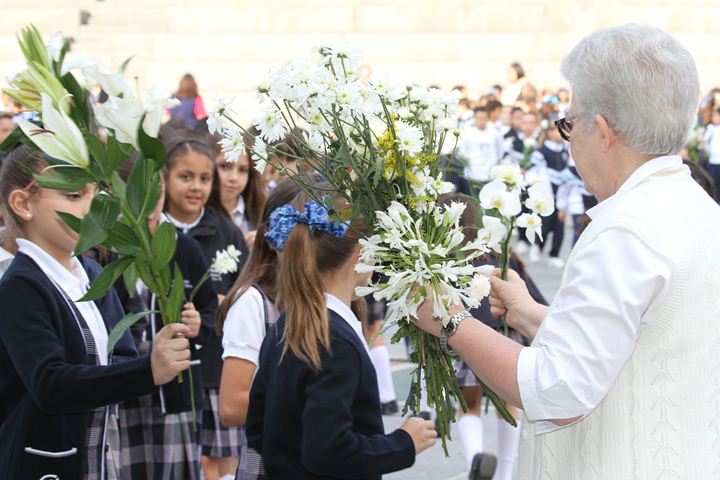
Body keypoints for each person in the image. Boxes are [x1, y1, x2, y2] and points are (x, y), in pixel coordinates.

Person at [413, 24, 720, 479]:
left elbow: (558, 392)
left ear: (603, 131)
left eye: (569, 124)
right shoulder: (699, 206)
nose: (568, 139)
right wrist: (529, 313)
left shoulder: (625, 232)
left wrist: (450, 320)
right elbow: (622, 340)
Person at [0, 146, 190, 479]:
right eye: (73, 195)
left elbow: (120, 353)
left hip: (98, 455)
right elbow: (50, 384)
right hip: (41, 463)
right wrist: (148, 371)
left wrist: (158, 356)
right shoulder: (20, 286)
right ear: (23, 204)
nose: (91, 208)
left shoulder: (91, 271)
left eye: (95, 193)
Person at [246, 189, 437, 479]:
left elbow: (258, 429)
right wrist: (402, 444)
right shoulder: (334, 341)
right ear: (361, 254)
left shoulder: (285, 327)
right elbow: (327, 449)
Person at [113, 163, 219, 480]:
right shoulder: (108, 247)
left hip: (174, 386)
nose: (148, 205)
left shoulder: (183, 246)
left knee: (173, 469)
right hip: (123, 383)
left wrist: (199, 324)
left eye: (154, 193)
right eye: (135, 196)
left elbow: (210, 309)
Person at [162, 136, 249, 480]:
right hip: (170, 369)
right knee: (185, 462)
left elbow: (247, 288)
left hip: (216, 365)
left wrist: (227, 304)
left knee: (222, 459)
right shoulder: (152, 231)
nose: (196, 186)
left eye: (204, 178)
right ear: (165, 178)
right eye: (185, 177)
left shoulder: (225, 231)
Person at [217, 179, 300, 479]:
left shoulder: (329, 301)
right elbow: (232, 405)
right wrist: (312, 406)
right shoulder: (254, 303)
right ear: (272, 235)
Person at [207, 131, 266, 245]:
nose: (234, 178)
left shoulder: (260, 215)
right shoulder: (196, 213)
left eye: (242, 170)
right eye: (224, 166)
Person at [457, 106, 505, 184]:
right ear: (474, 118)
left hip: (490, 174)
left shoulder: (494, 132)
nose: (481, 121)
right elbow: (461, 151)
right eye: (479, 118)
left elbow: (500, 150)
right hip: (472, 174)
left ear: (487, 118)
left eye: (483, 118)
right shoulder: (468, 132)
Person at [703, 107, 720, 201]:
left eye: (716, 116)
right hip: (713, 161)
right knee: (713, 183)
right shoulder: (710, 128)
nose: (714, 118)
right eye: (713, 116)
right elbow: (704, 141)